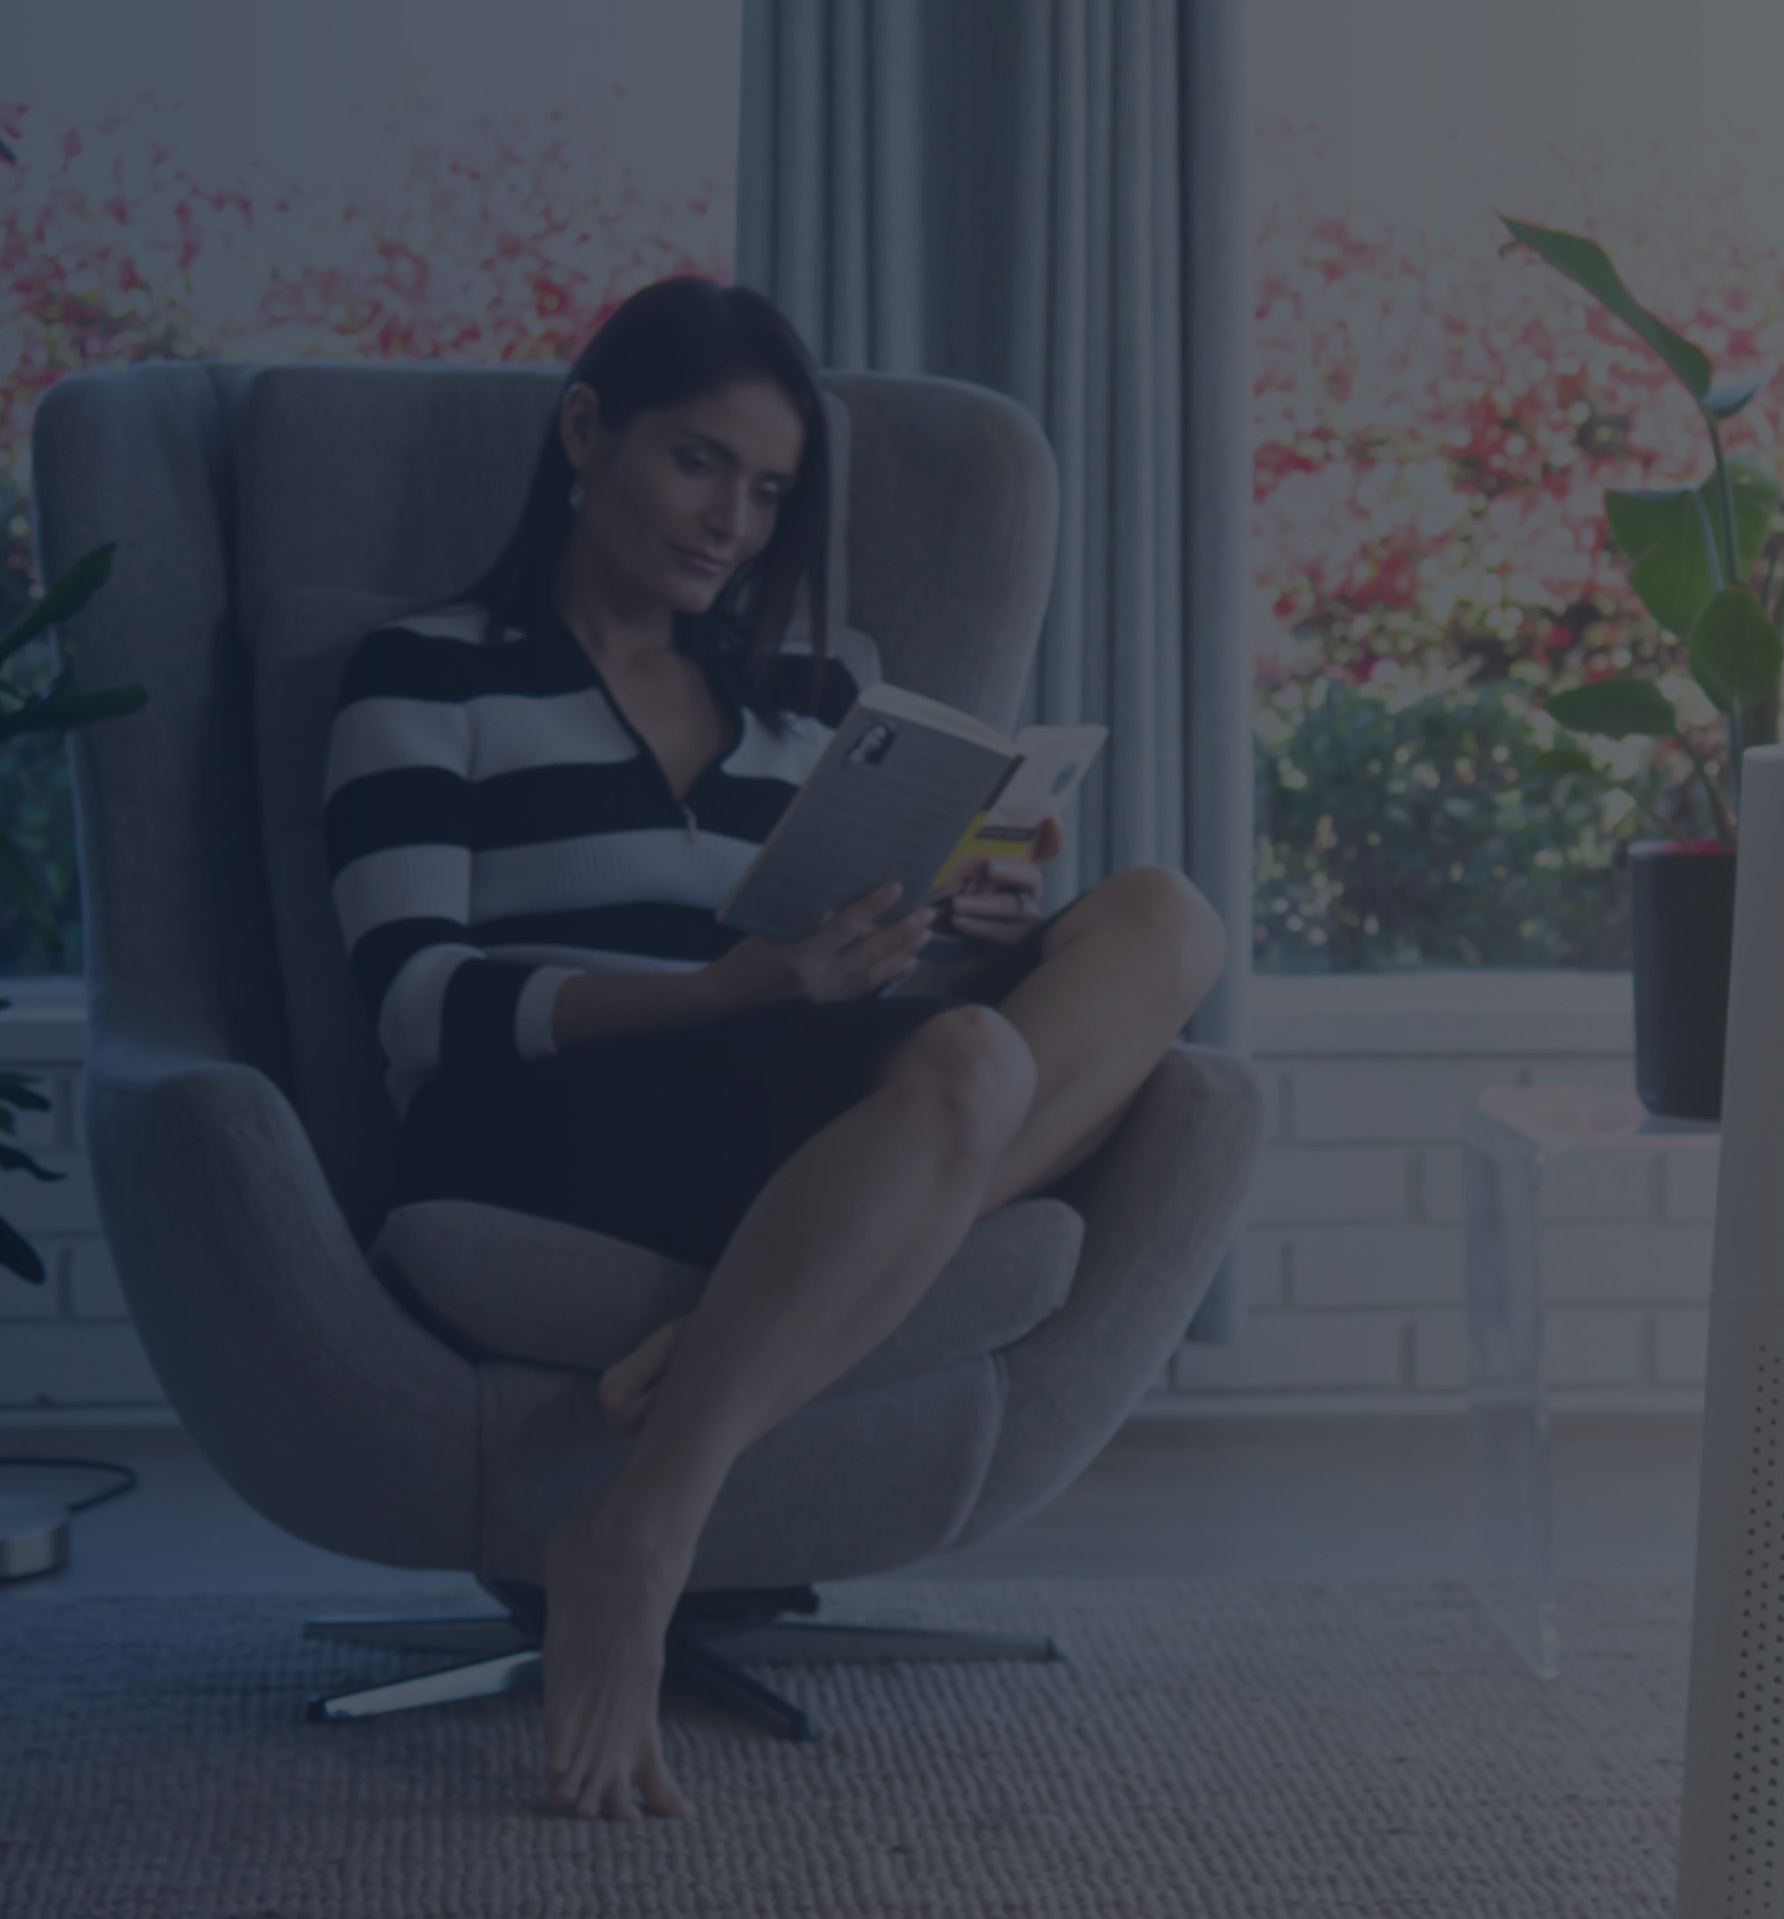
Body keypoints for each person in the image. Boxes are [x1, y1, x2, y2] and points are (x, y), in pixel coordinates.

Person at [321, 277, 1226, 1822]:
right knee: (964, 1072)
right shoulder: (428, 675)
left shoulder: (813, 709)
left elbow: (850, 971)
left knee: (1161, 918)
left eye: (769, 490)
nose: (730, 520)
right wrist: (727, 993)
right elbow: (419, 1002)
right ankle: (646, 1527)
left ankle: (723, 1356)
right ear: (587, 431)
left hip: (783, 1100)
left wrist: (972, 929)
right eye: (698, 462)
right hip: (543, 1112)